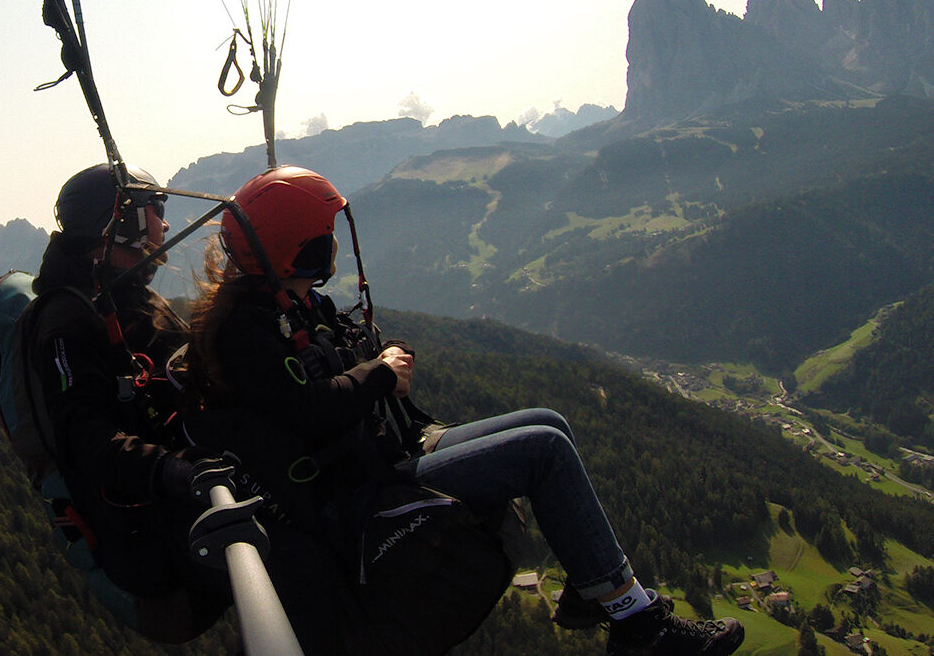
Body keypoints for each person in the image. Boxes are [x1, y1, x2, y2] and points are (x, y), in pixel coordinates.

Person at [185, 165, 745, 656]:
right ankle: (637, 624)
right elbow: (304, 409)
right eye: (324, 233)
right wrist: (380, 374)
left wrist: (384, 368)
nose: (333, 242)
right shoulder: (245, 331)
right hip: (363, 485)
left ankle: (590, 589)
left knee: (552, 422)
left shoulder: (295, 301)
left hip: (387, 448)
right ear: (296, 246)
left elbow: (342, 365)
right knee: (544, 451)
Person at [28, 163, 233, 644]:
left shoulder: (127, 297)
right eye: (154, 209)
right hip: (154, 533)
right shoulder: (67, 318)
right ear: (120, 223)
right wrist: (174, 471)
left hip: (185, 486)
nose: (164, 221)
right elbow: (83, 437)